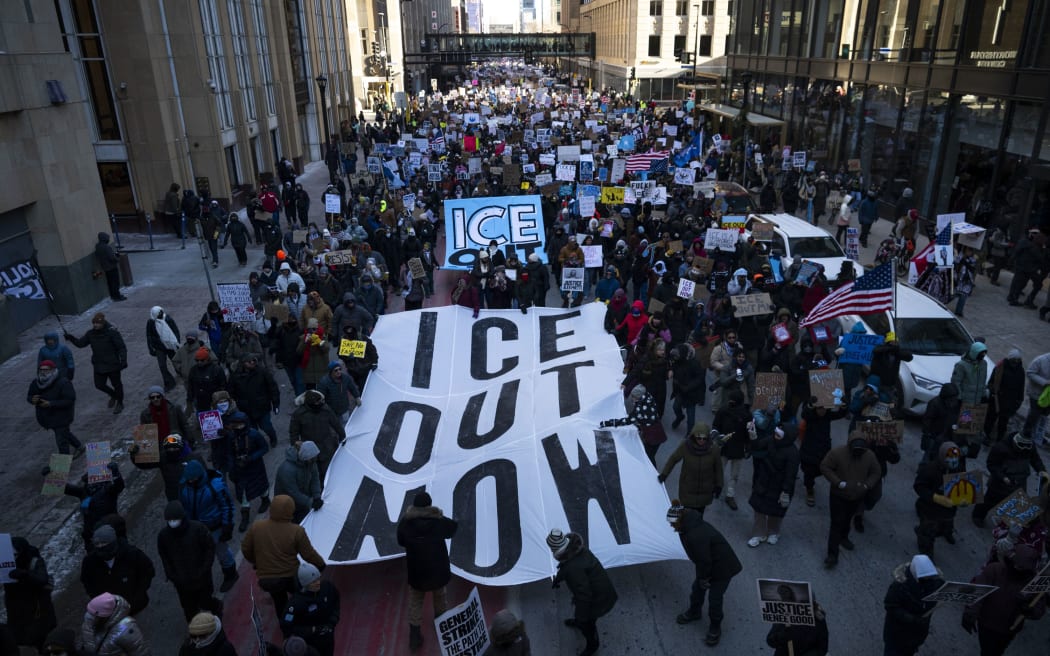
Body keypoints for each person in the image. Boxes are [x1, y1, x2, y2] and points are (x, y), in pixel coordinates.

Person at [242, 495, 327, 622]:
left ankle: (286, 625)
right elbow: (308, 554)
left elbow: (245, 549)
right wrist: (321, 565)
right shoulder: (296, 531)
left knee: (279, 602)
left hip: (268, 578)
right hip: (290, 576)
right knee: (303, 596)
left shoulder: (256, 527)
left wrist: (256, 562)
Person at [668, 505, 741, 647]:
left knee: (715, 599)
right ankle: (695, 612)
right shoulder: (688, 526)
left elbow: (704, 560)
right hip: (707, 564)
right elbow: (702, 560)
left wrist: (704, 578)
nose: (671, 525)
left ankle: (715, 627)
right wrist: (702, 578)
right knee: (697, 590)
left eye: (672, 522)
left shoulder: (695, 534)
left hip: (723, 569)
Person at [396, 491, 458, 652]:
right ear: (429, 505)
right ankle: (442, 623)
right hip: (438, 571)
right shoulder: (438, 522)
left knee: (415, 603)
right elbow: (453, 529)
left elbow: (400, 540)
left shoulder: (406, 523)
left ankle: (415, 637)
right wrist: (439, 515)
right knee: (440, 598)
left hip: (417, 573)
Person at [963, 544, 1046, 655]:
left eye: (1021, 567)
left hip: (1008, 629)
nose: (1016, 568)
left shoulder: (1035, 584)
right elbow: (978, 592)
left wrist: (1029, 610)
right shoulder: (994, 570)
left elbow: (1039, 608)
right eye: (1015, 564)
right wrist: (970, 614)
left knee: (996, 651)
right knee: (987, 650)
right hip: (986, 623)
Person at [548, 530, 617, 656]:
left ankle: (592, 644)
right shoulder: (577, 551)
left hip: (598, 599)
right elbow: (568, 567)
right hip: (601, 591)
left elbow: (584, 595)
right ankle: (580, 622)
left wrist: (581, 617)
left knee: (588, 624)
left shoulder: (573, 568)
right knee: (585, 619)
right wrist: (559, 578)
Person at [819, 437, 881, 568]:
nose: (858, 453)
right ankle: (832, 555)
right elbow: (825, 466)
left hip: (857, 496)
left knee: (847, 519)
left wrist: (867, 486)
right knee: (836, 523)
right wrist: (838, 482)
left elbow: (876, 472)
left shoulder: (869, 456)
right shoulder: (837, 453)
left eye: (861, 451)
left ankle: (844, 537)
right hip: (838, 495)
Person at [178, 461, 238, 593]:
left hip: (215, 527)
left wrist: (227, 526)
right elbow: (185, 508)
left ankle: (231, 574)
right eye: (189, 480)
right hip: (195, 528)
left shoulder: (215, 486)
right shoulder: (185, 487)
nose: (191, 481)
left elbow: (227, 506)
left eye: (194, 479)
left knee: (222, 552)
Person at [157, 500, 220, 622]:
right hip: (181, 581)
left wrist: (204, 570)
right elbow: (164, 556)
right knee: (189, 609)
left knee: (205, 602)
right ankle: (195, 632)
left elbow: (209, 549)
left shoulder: (198, 529)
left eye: (174, 519)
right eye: (169, 520)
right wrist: (172, 575)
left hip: (201, 577)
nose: (172, 522)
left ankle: (217, 608)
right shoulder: (164, 536)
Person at [972, 433, 1048, 527]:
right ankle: (978, 516)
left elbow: (1036, 460)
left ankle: (1008, 525)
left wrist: (1042, 471)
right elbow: (992, 464)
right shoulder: (1000, 448)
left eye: (1027, 446)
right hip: (1000, 482)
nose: (1024, 449)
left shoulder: (1030, 447)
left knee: (1015, 504)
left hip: (1020, 481)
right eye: (1021, 446)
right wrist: (1002, 477)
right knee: (989, 500)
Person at [80, 525, 156, 616]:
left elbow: (147, 571)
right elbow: (86, 580)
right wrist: (96, 597)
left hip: (136, 607)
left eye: (103, 542)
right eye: (97, 544)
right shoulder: (90, 562)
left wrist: (138, 596)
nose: (100, 546)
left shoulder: (132, 554)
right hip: (109, 612)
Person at [747, 421, 800, 548]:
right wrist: (753, 435)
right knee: (759, 509)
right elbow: (758, 446)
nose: (775, 435)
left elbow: (790, 474)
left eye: (778, 435)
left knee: (776, 512)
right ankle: (758, 534)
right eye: (775, 433)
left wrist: (786, 491)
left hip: (779, 487)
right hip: (764, 482)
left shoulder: (793, 453)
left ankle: (773, 532)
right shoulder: (771, 440)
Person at [65, 312, 127, 414]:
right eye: (94, 323)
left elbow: (121, 347)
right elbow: (81, 344)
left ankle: (120, 403)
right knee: (99, 385)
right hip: (99, 365)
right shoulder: (91, 334)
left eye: (97, 323)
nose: (95, 325)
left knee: (117, 385)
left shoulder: (112, 333)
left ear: (103, 323)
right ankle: (114, 395)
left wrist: (123, 360)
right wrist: (71, 338)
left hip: (113, 364)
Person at [914, 442, 967, 558]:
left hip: (949, 508)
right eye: (950, 457)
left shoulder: (959, 468)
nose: (953, 461)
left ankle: (945, 532)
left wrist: (964, 498)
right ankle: (926, 550)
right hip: (929, 509)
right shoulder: (929, 469)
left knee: (945, 524)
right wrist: (935, 497)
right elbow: (918, 486)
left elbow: (963, 483)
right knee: (928, 531)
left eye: (955, 457)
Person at [3, 536, 57, 653]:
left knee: (39, 637)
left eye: (16, 555)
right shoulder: (5, 563)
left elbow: (42, 579)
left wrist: (25, 574)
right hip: (16, 609)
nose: (14, 558)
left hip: (36, 608)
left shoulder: (34, 561)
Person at [882, 554, 943, 656]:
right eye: (924, 578)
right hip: (896, 637)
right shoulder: (899, 587)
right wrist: (911, 618)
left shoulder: (935, 583)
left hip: (916, 636)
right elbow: (890, 606)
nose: (928, 580)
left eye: (930, 577)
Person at [658, 423, 723, 517]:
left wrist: (719, 485)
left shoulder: (714, 449)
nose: (701, 440)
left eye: (704, 438)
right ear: (693, 436)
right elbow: (673, 459)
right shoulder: (685, 446)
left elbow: (718, 468)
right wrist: (664, 474)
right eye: (699, 438)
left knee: (698, 518)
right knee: (686, 517)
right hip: (688, 490)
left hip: (705, 492)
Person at [222, 411, 271, 531]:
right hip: (240, 470)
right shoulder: (232, 437)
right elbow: (229, 453)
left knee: (261, 487)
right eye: (235, 424)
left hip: (255, 468)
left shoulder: (254, 434)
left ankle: (265, 500)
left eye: (240, 424)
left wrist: (251, 458)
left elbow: (264, 448)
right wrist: (231, 466)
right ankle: (245, 517)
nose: (238, 427)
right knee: (243, 494)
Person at [280, 563, 340, 656]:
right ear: (305, 584)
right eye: (313, 581)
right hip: (310, 643)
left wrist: (333, 620)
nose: (318, 583)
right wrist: (312, 630)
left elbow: (336, 601)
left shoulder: (327, 588)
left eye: (318, 579)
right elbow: (287, 628)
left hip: (327, 636)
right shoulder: (295, 604)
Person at [599, 384, 666, 466]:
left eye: (634, 397)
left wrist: (608, 423)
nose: (632, 399)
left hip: (653, 436)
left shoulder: (640, 408)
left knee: (649, 457)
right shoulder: (648, 398)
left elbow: (626, 421)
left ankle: (653, 476)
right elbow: (649, 417)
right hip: (657, 431)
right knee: (648, 455)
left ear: (639, 396)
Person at [28, 359, 83, 456]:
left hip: (62, 417)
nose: (43, 372)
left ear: (53, 370)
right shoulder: (36, 383)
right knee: (64, 434)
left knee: (61, 442)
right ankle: (79, 446)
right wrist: (32, 399)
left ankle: (61, 469)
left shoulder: (63, 382)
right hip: (48, 418)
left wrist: (50, 404)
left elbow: (70, 400)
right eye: (41, 370)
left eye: (46, 370)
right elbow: (29, 396)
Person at [799, 397, 848, 506]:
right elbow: (805, 414)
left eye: (825, 408)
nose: (822, 411)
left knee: (821, 469)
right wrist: (811, 404)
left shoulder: (827, 416)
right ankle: (809, 490)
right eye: (820, 408)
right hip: (809, 449)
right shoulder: (811, 416)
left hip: (823, 449)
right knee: (809, 471)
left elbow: (841, 414)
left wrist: (844, 405)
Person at [290, 390, 345, 482]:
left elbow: (336, 423)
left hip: (326, 446)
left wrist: (342, 436)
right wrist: (295, 443)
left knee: (327, 470)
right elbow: (293, 432)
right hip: (310, 449)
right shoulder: (299, 414)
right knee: (313, 473)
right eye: (318, 402)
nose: (321, 403)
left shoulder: (326, 409)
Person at [228, 352, 281, 447]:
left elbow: (273, 388)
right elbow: (231, 392)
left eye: (254, 360)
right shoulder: (235, 376)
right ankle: (260, 444)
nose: (252, 362)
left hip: (262, 406)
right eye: (249, 361)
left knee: (266, 426)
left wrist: (275, 403)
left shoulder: (262, 372)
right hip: (246, 409)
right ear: (243, 363)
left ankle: (273, 438)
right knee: (252, 430)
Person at [713, 390, 751, 511]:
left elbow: (749, 433)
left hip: (738, 448)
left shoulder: (746, 415)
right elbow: (715, 426)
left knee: (734, 475)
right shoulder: (723, 411)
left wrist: (748, 447)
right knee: (719, 469)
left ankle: (730, 495)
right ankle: (716, 487)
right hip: (724, 446)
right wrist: (716, 436)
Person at [81, 593, 150, 656]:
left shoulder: (128, 629)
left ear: (105, 615)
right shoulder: (95, 620)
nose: (92, 618)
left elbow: (141, 652)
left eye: (94, 616)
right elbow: (89, 647)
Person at [274, 441, 323, 523]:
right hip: (286, 505)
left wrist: (317, 495)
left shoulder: (310, 462)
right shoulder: (287, 470)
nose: (315, 461)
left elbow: (315, 478)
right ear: (306, 458)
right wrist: (311, 502)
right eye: (313, 459)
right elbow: (293, 492)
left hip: (302, 501)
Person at [985, 349, 1026, 445]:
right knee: (990, 419)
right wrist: (993, 391)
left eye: (1017, 359)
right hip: (996, 400)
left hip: (1009, 401)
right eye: (1014, 359)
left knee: (1003, 422)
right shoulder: (1000, 367)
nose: (1016, 362)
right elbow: (991, 382)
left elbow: (1021, 386)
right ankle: (987, 436)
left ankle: (999, 439)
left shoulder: (1020, 370)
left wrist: (1019, 400)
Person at [146, 306, 181, 391]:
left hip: (170, 345)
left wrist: (176, 342)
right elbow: (149, 335)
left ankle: (181, 373)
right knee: (162, 366)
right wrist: (151, 348)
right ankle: (169, 382)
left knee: (175, 360)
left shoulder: (168, 319)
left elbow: (175, 331)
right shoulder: (151, 322)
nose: (160, 315)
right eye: (158, 314)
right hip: (159, 346)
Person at [187, 347, 227, 417]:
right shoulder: (193, 370)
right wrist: (190, 399)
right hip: (199, 402)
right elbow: (190, 385)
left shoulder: (216, 369)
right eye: (197, 360)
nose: (199, 362)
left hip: (213, 402)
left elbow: (223, 385)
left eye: (202, 360)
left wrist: (219, 400)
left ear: (207, 359)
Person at [1021, 350, 1050, 442]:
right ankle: (1026, 433)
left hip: (1048, 396)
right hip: (1036, 394)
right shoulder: (1040, 360)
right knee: (1034, 415)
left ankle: (1038, 435)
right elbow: (1030, 373)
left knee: (1044, 415)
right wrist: (1044, 382)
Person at [951, 342, 989, 407]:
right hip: (966, 401)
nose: (983, 355)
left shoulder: (983, 364)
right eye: (981, 353)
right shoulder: (961, 365)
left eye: (984, 353)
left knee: (976, 417)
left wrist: (983, 395)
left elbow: (983, 381)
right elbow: (956, 382)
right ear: (975, 352)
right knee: (966, 417)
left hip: (978, 401)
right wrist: (959, 398)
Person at [94, 232, 127, 301]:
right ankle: (117, 296)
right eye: (107, 238)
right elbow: (112, 258)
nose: (108, 239)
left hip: (105, 267)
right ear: (104, 239)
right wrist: (117, 258)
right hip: (112, 267)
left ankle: (113, 296)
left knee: (110, 283)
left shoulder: (98, 246)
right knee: (115, 282)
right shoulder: (106, 247)